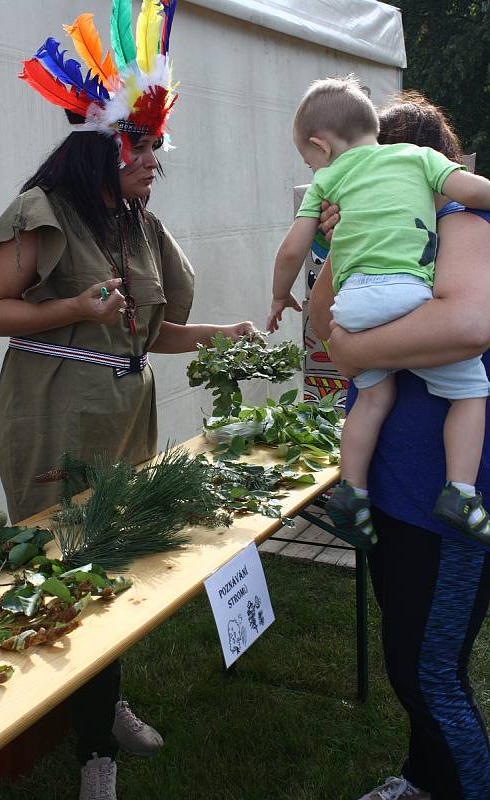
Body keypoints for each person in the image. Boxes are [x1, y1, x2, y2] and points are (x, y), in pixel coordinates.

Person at [0, 3, 253, 798]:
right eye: (142, 143)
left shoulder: (137, 224)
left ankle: (104, 702)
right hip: (56, 417)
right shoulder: (43, 213)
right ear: (101, 146)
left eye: (157, 143)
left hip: (126, 414)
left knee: (115, 565)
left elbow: (144, 334)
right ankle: (94, 748)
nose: (156, 158)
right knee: (72, 565)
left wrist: (216, 335)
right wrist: (74, 308)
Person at [310, 92, 490, 800]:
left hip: (440, 500)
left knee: (428, 673)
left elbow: (466, 326)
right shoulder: (378, 238)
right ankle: (425, 778)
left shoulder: (462, 222)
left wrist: (353, 348)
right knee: (413, 661)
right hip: (398, 491)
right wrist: (335, 246)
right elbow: (323, 326)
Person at [266, 76, 490, 547]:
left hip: (358, 309)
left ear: (320, 146)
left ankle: (351, 490)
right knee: (469, 389)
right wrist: (341, 237)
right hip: (401, 299)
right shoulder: (416, 165)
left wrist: (285, 299)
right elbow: (473, 190)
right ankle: (462, 493)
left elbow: (297, 263)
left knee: (373, 397)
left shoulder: (337, 177)